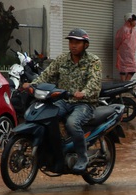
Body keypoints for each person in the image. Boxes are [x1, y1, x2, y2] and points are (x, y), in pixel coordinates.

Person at [31, 28, 101, 173]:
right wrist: (32, 85)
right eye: (71, 42)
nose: (73, 45)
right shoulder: (62, 59)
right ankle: (57, 155)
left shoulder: (93, 61)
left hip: (84, 103)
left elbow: (94, 82)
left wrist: (84, 93)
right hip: (64, 100)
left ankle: (82, 157)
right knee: (46, 116)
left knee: (72, 123)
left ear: (85, 45)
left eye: (77, 43)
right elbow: (47, 75)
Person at [114, 13, 136, 82]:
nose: (135, 22)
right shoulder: (124, 29)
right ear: (129, 20)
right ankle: (124, 83)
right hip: (124, 52)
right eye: (134, 20)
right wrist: (117, 47)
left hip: (131, 52)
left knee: (132, 69)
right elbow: (118, 39)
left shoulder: (133, 30)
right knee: (123, 68)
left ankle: (125, 83)